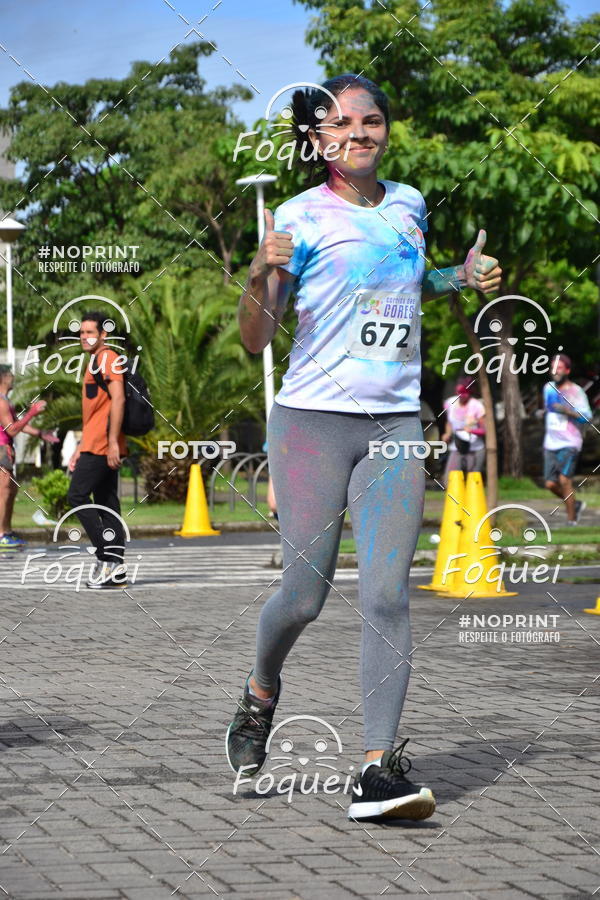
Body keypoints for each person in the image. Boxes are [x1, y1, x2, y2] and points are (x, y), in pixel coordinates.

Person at [226, 74, 502, 820]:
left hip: (394, 426)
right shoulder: (297, 218)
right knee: (304, 596)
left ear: (385, 129)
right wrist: (258, 273)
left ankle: (378, 769)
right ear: (317, 140)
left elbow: (406, 284)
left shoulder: (409, 204)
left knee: (387, 593)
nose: (359, 132)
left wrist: (460, 276)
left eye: (371, 119)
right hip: (311, 424)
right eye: (341, 123)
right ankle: (259, 692)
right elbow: (257, 338)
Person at [67, 312, 128, 588]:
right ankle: (116, 567)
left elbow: (119, 398)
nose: (84, 336)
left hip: (104, 444)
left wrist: (114, 441)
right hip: (93, 443)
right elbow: (94, 412)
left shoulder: (107, 358)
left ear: (103, 335)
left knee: (77, 495)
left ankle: (108, 558)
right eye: (81, 332)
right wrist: (80, 447)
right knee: (106, 502)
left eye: (90, 332)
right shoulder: (94, 360)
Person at [0, 365, 59, 550]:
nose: (13, 377)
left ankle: (7, 532)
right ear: (3, 377)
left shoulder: (5, 400)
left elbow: (18, 424)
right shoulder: (1, 402)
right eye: (10, 374)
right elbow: (12, 429)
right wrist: (32, 412)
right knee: (4, 493)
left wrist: (41, 434)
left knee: (11, 491)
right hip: (1, 449)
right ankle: (1, 534)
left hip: (6, 449)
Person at [543, 353, 591, 525]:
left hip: (570, 442)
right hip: (551, 442)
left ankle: (571, 521)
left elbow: (587, 417)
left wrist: (567, 411)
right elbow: (549, 409)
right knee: (550, 484)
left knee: (564, 480)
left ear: (567, 370)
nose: (555, 371)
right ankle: (575, 504)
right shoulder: (548, 387)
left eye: (559, 368)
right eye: (552, 368)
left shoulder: (576, 391)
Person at [441, 378, 486, 484]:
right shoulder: (450, 403)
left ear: (469, 393)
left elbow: (484, 430)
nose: (461, 395)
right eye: (458, 392)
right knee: (450, 481)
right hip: (456, 447)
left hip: (474, 449)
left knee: (472, 482)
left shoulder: (477, 406)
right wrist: (447, 433)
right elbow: (449, 423)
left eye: (464, 393)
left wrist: (471, 431)